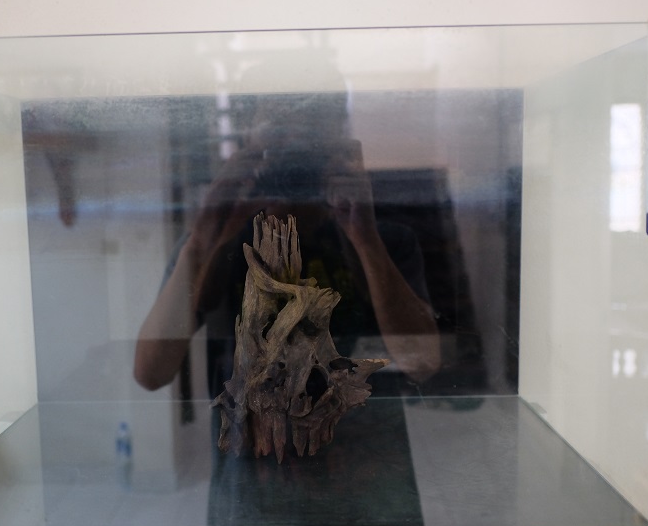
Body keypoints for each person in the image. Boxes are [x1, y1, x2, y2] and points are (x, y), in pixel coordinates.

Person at [133, 88, 440, 397]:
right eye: (277, 133)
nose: (293, 149)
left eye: (309, 134)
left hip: (360, 425)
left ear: (337, 139)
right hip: (263, 427)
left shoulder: (382, 239)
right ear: (248, 141)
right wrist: (202, 240)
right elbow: (151, 372)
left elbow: (422, 364)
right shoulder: (218, 242)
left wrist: (365, 237)